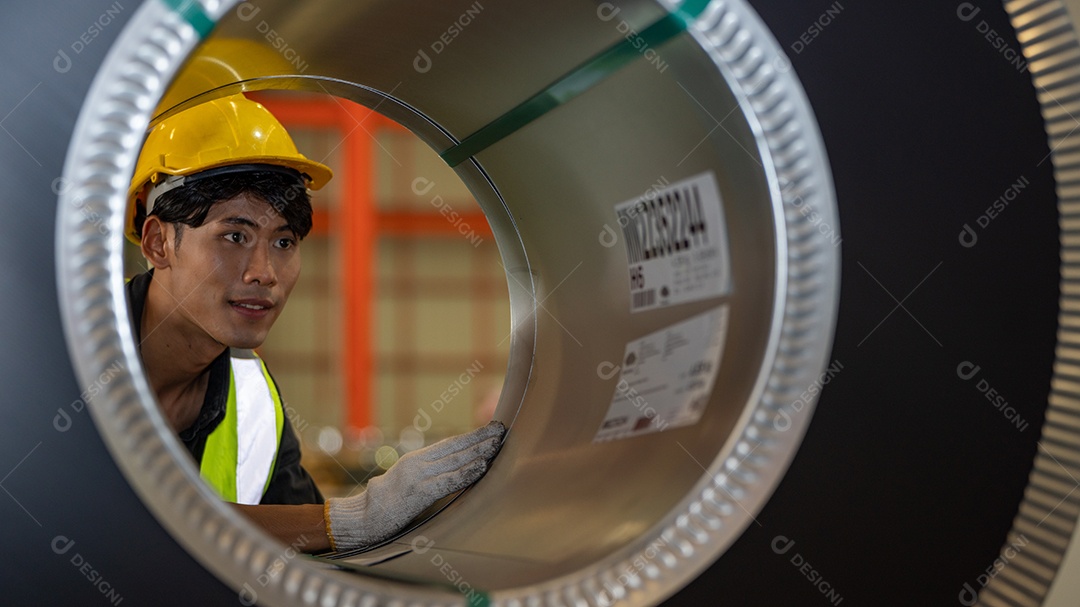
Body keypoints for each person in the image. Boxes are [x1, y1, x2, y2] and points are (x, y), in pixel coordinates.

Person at [124, 94, 504, 553]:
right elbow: (110, 516)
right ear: (158, 243)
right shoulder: (68, 353)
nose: (264, 272)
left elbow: (308, 541)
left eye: (283, 242)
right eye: (234, 236)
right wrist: (353, 517)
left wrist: (429, 513)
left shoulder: (253, 400)